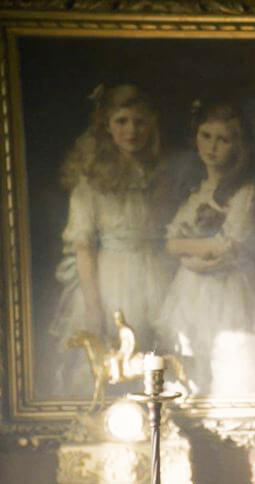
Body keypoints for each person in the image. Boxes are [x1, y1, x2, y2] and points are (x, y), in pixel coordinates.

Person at [156, 100, 255, 395]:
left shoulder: (247, 192)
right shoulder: (196, 190)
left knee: (233, 361)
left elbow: (228, 245)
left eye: (223, 140)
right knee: (193, 359)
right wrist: (189, 252)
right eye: (206, 136)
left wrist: (187, 251)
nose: (212, 147)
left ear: (238, 146)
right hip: (191, 289)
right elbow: (170, 241)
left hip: (233, 288)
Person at [49, 83, 174, 396]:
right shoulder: (90, 180)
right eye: (122, 121)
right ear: (106, 125)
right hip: (113, 277)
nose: (131, 130)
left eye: (139, 122)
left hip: (155, 271)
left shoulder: (157, 173)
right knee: (112, 359)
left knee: (155, 359)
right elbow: (83, 246)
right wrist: (94, 306)